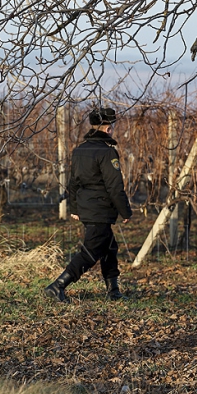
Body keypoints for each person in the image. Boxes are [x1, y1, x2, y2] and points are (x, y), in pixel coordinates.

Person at [44, 107, 132, 303]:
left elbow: (73, 182)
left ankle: (113, 291)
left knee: (109, 247)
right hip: (100, 209)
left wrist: (75, 208)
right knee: (91, 252)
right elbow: (115, 186)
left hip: (87, 208)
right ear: (109, 129)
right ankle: (58, 286)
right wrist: (125, 211)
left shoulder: (80, 150)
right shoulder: (107, 153)